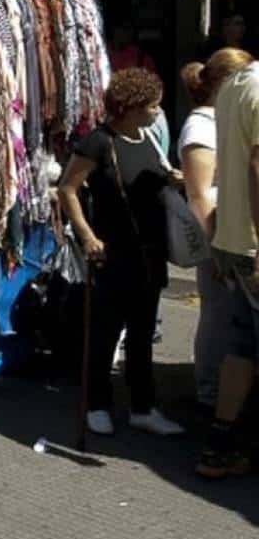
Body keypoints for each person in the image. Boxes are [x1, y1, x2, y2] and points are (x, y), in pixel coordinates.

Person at [58, 68, 184, 437]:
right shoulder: (98, 142)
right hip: (113, 252)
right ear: (130, 107)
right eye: (153, 106)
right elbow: (67, 189)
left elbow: (157, 179)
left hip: (151, 251)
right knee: (106, 331)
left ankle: (143, 407)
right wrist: (87, 236)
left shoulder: (149, 138)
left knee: (143, 333)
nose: (158, 112)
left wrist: (174, 178)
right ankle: (97, 403)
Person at [196, 49, 259, 479]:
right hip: (253, 244)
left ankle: (219, 445)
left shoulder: (235, 87)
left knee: (243, 347)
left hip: (235, 241)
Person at [179, 56, 243, 407]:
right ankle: (209, 390)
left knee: (230, 316)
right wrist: (217, 244)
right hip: (217, 236)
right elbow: (200, 193)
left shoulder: (222, 121)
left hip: (229, 234)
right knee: (219, 314)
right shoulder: (201, 128)